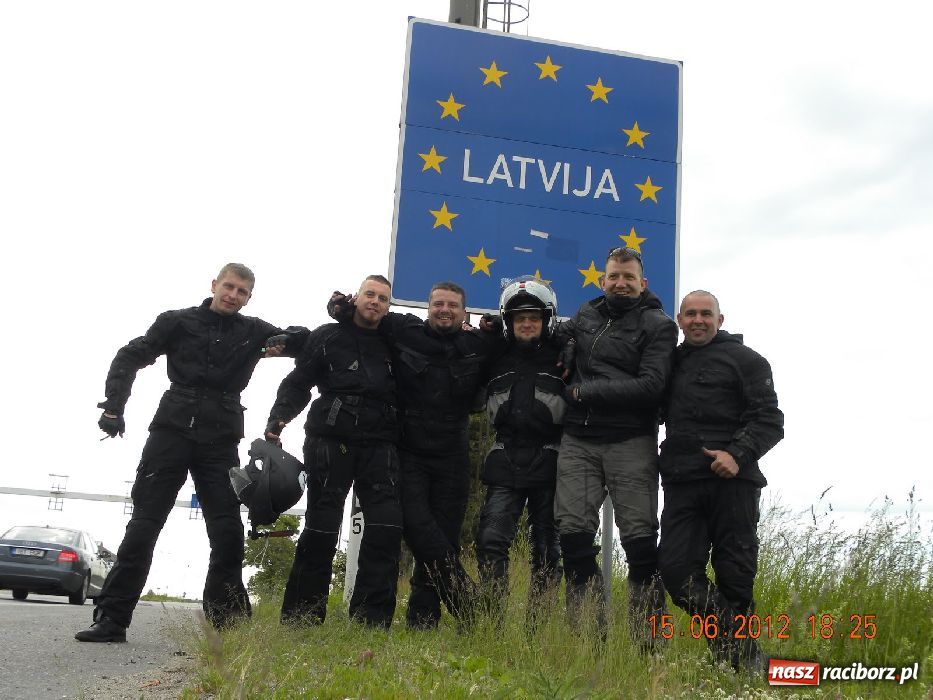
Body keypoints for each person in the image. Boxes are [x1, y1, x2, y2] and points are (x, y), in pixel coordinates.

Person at [76, 263, 307, 643]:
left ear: (249, 297)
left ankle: (227, 626)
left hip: (221, 439)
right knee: (144, 525)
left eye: (242, 292)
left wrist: (302, 332)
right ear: (214, 285)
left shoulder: (255, 332)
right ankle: (112, 620)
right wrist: (114, 406)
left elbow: (305, 345)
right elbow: (130, 355)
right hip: (171, 431)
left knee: (228, 531)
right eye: (228, 287)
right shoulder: (177, 321)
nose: (233, 295)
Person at [328, 281, 493, 630]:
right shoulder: (402, 329)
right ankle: (470, 604)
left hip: (453, 453)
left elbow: (515, 346)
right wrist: (340, 307)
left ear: (464, 312)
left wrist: (495, 327)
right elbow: (361, 314)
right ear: (427, 307)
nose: (444, 310)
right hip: (409, 450)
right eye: (438, 304)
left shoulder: (479, 344)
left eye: (452, 305)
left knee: (445, 535)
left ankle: (424, 620)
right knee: (419, 529)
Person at [556, 246, 677, 647]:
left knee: (641, 545)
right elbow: (561, 334)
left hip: (631, 440)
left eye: (629, 277)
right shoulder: (586, 314)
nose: (621, 283)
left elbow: (651, 386)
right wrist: (567, 344)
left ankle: (649, 644)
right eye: (614, 276)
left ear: (642, 283)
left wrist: (586, 391)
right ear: (603, 280)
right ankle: (589, 640)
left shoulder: (659, 325)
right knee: (573, 539)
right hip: (578, 442)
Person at [658, 290, 783, 671]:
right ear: (679, 321)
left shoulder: (748, 361)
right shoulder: (669, 363)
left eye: (705, 314)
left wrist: (736, 454)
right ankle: (747, 652)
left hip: (734, 484)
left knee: (736, 579)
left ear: (720, 319)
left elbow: (770, 421)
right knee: (677, 574)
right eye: (690, 314)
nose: (698, 320)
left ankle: (736, 669)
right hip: (682, 482)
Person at [268, 275, 402, 629]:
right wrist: (277, 421)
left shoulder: (395, 339)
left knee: (387, 527)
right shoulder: (328, 336)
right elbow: (298, 383)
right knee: (322, 527)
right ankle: (301, 619)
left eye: (383, 298)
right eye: (370, 295)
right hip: (330, 439)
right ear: (356, 298)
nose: (375, 302)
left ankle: (371, 622)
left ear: (389, 306)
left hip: (381, 442)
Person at [474, 277, 565, 632]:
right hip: (504, 461)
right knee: (491, 542)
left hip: (551, 462)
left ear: (546, 320)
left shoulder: (564, 356)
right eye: (519, 318)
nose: (526, 323)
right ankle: (492, 625)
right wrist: (483, 333)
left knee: (547, 550)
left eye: (534, 317)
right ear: (508, 322)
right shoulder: (493, 355)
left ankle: (537, 631)